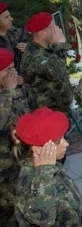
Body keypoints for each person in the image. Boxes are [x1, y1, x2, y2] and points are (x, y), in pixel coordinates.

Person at [12, 108, 81, 226]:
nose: (67, 144)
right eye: (59, 141)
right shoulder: (32, 180)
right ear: (38, 149)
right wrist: (44, 172)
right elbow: (43, 219)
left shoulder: (51, 166)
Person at [20, 12, 72, 113]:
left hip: (58, 111)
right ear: (42, 33)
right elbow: (55, 72)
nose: (57, 29)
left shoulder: (45, 49)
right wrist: (60, 45)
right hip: (47, 114)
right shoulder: (33, 55)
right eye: (53, 27)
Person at [0, 49, 29, 226]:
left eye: (13, 69)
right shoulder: (7, 92)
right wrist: (8, 92)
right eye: (8, 70)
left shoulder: (11, 91)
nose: (13, 74)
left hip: (20, 167)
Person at [0, 3, 27, 70]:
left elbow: (35, 44)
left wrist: (28, 47)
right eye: (6, 17)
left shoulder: (14, 31)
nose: (11, 19)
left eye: (10, 16)